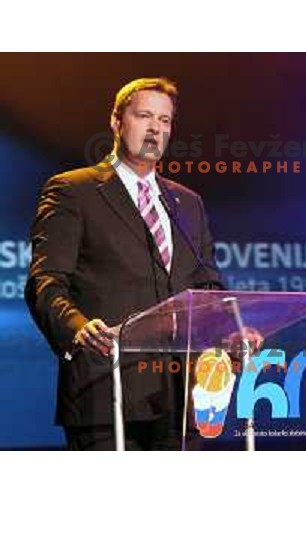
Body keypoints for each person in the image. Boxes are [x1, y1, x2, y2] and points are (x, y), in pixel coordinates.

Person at [25, 77, 259, 451]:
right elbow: (45, 281)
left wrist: (230, 334)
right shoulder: (73, 190)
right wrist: (81, 329)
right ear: (117, 121)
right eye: (144, 116)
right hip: (107, 390)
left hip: (183, 398)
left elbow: (208, 288)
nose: (155, 128)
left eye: (165, 121)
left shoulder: (188, 202)